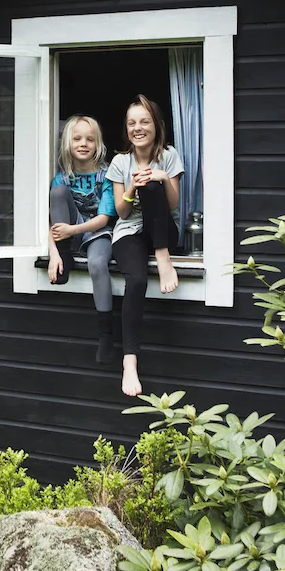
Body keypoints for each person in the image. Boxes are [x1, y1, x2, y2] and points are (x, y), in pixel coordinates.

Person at [106, 94, 183, 397]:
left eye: (144, 122)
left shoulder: (169, 155)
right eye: (132, 123)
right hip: (129, 233)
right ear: (127, 129)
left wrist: (162, 178)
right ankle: (129, 362)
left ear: (156, 125)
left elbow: (174, 203)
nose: (138, 128)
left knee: (153, 185)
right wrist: (130, 189)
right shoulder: (119, 162)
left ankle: (163, 260)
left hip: (163, 232)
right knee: (136, 280)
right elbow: (121, 213)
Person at [47, 115, 118, 365]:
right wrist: (54, 252)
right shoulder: (62, 177)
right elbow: (48, 222)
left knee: (97, 265)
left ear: (98, 144)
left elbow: (104, 217)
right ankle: (65, 257)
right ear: (68, 143)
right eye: (77, 138)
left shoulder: (107, 175)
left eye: (90, 139)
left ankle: (105, 336)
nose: (83, 143)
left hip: (98, 232)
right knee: (57, 193)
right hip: (71, 232)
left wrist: (70, 230)